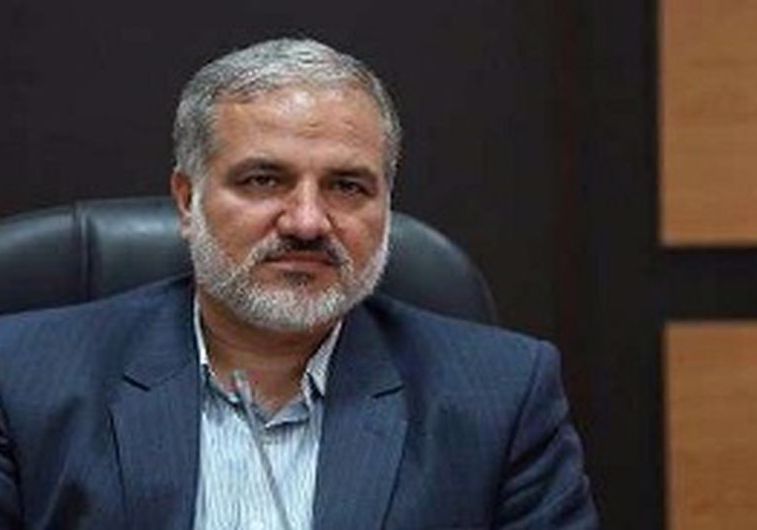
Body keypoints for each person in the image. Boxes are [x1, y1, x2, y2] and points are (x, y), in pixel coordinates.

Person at [0, 39, 598, 529]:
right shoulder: (23, 380)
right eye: (263, 180)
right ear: (187, 200)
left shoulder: (501, 397)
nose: (307, 222)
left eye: (347, 187)